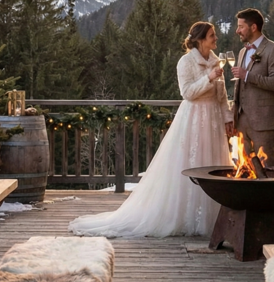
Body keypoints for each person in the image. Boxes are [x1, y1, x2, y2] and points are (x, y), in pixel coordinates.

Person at [68, 21, 233, 238]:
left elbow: (222, 96)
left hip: (212, 120)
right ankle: (185, 217)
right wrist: (208, 78)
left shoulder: (215, 61)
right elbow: (188, 93)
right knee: (191, 163)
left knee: (214, 163)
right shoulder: (186, 62)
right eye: (212, 35)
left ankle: (212, 218)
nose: (216, 38)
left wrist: (227, 118)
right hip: (193, 119)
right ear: (201, 39)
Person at [231, 7, 274, 163]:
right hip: (242, 122)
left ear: (253, 27)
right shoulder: (243, 52)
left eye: (241, 26)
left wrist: (247, 75)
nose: (237, 31)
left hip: (264, 121)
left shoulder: (273, 50)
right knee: (244, 168)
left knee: (267, 168)